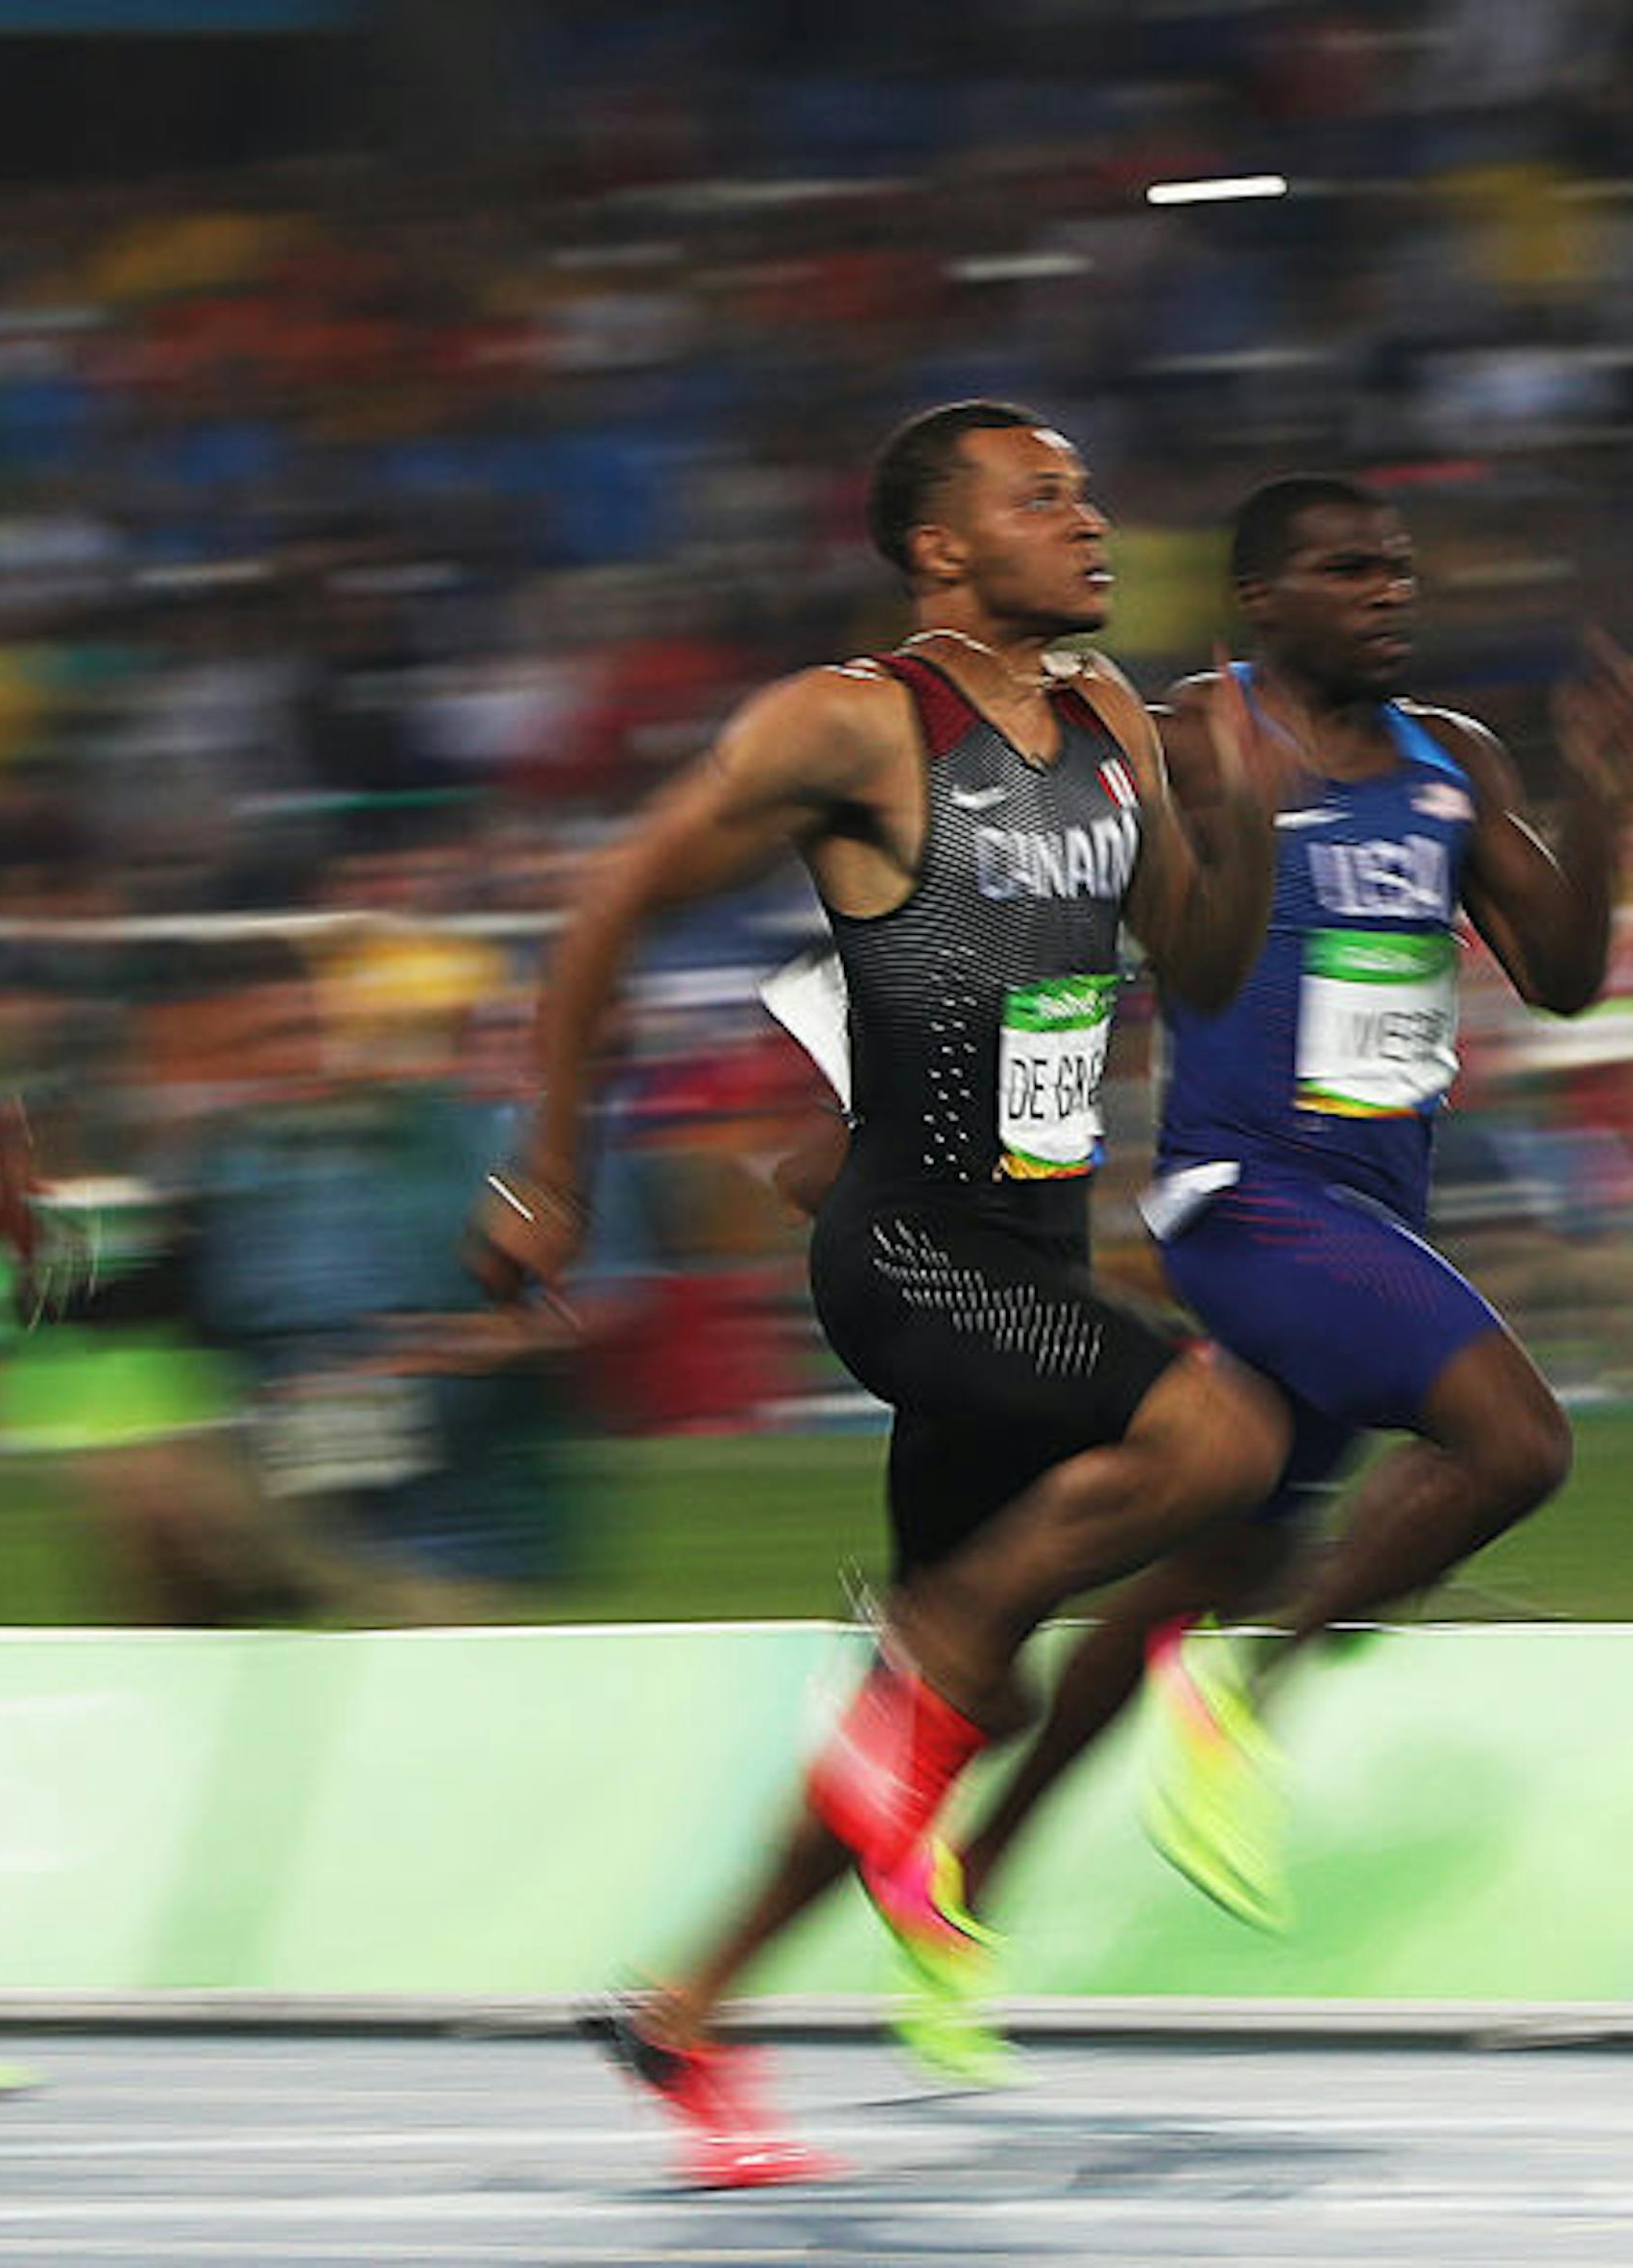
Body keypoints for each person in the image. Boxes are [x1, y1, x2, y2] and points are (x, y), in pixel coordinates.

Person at [467, 399, 1288, 2185]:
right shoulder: (853, 722)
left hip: (1038, 1254)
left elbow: (1204, 967)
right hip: (912, 1252)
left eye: (1089, 490)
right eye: (1043, 496)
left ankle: (685, 2008)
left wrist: (1235, 824)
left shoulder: (1113, 730)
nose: (1089, 520)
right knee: (1227, 1438)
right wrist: (553, 1173)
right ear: (940, 546)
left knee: (964, 1689)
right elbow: (609, 897)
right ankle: (916, 1672)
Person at [884, 472, 1633, 2079]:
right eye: (1347, 569)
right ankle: (1250, 1699)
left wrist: (1600, 794)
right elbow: (1021, 896)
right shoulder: (1187, 737)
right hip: (1247, 1203)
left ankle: (961, 1887)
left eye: (1401, 568)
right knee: (1518, 1443)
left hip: (1372, 1221)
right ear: (1261, 601)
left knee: (1207, 1561)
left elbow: (1567, 977)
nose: (1388, 591)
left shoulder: (1458, 764)